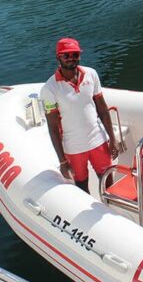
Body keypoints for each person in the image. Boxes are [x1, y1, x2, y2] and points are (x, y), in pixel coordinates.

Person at [41, 37, 119, 194]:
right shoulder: (49, 89)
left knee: (109, 182)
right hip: (74, 147)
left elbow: (102, 109)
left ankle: (111, 210)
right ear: (58, 57)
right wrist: (62, 161)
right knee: (82, 187)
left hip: (98, 140)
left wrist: (112, 138)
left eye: (75, 55)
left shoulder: (91, 74)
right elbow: (53, 127)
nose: (71, 59)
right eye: (66, 55)